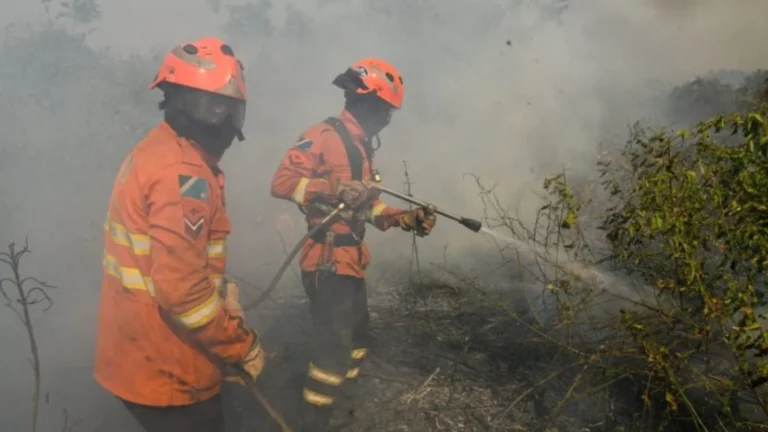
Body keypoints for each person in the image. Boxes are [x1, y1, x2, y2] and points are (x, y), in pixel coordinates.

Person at [93, 37, 264, 432]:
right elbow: (182, 291)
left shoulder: (159, 151)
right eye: (211, 107)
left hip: (142, 352)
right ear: (177, 104)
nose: (222, 123)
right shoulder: (181, 175)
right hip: (168, 366)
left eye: (230, 110)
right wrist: (240, 345)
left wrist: (222, 302)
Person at [270, 57, 438, 430]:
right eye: (384, 110)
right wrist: (331, 187)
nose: (387, 119)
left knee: (359, 338)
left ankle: (343, 406)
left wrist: (404, 218)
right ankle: (311, 421)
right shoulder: (324, 137)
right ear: (363, 101)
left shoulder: (361, 149)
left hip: (350, 259)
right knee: (331, 354)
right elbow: (281, 183)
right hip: (327, 259)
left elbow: (366, 206)